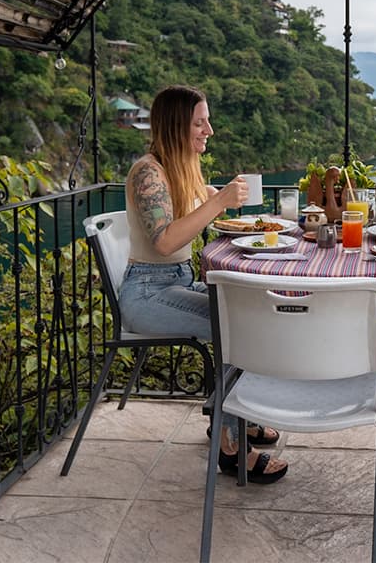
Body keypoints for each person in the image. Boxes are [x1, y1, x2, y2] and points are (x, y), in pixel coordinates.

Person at [120, 84, 288, 484]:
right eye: (200, 122)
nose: (208, 130)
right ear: (177, 126)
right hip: (147, 293)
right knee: (234, 327)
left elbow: (196, 216)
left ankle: (231, 417)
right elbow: (164, 241)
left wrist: (216, 199)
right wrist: (216, 202)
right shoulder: (149, 172)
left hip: (176, 281)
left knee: (251, 312)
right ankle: (232, 447)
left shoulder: (179, 169)